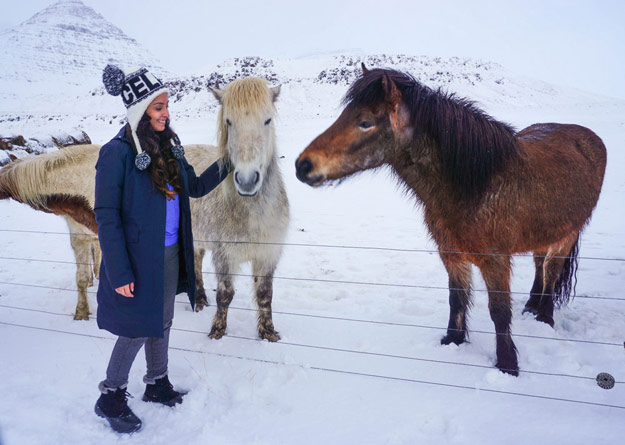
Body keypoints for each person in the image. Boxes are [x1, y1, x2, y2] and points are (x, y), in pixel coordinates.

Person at [93, 65, 230, 434]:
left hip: (170, 253)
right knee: (137, 329)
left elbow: (196, 186)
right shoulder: (116, 153)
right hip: (136, 261)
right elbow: (106, 216)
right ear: (140, 112)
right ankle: (110, 395)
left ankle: (157, 382)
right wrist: (119, 272)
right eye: (158, 107)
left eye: (167, 105)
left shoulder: (170, 148)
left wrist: (231, 159)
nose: (166, 112)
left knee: (163, 321)